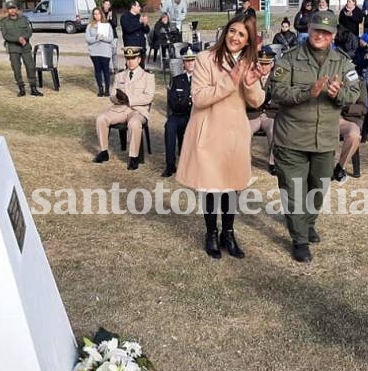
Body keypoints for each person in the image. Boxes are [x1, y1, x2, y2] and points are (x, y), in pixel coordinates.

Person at [270, 10, 361, 263]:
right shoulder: (289, 59)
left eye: (326, 32)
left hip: (324, 139)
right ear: (308, 29)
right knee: (294, 190)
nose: (320, 35)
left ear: (333, 35)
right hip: (292, 138)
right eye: (316, 30)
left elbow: (353, 93)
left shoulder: (342, 62)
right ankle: (299, 238)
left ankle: (307, 223)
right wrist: (307, 92)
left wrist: (337, 94)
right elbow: (276, 92)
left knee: (318, 189)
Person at [176, 14, 270, 259]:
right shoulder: (205, 58)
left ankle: (228, 232)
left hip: (234, 134)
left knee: (232, 186)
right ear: (225, 31)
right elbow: (199, 98)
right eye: (232, 31)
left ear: (248, 40)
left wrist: (249, 83)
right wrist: (231, 80)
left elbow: (258, 101)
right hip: (208, 132)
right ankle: (211, 233)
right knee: (210, 187)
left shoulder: (249, 63)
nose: (235, 38)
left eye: (242, 34)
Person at [93, 47, 155, 170]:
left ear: (139, 59)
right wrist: (118, 98)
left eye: (133, 58)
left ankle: (133, 157)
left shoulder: (148, 76)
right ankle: (104, 151)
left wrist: (129, 100)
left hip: (138, 110)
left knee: (134, 123)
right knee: (101, 118)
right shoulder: (120, 75)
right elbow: (112, 95)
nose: (130, 61)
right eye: (128, 58)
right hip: (120, 109)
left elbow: (148, 97)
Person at [162, 47, 196, 177]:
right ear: (183, 64)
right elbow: (172, 101)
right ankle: (170, 165)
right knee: (169, 126)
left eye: (193, 60)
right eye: (187, 61)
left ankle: (192, 165)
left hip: (195, 116)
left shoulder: (202, 79)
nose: (190, 63)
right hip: (180, 115)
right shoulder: (177, 80)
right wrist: (186, 103)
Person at [0, 1, 43, 97]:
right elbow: (5, 35)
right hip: (13, 49)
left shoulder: (24, 19)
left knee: (31, 67)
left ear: (17, 9)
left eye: (14, 8)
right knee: (16, 69)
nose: (12, 10)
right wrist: (18, 39)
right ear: (7, 10)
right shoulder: (4, 22)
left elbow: (29, 31)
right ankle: (21, 88)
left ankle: (33, 88)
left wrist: (24, 38)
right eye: (10, 8)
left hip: (25, 47)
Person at [248, 47, 278, 175]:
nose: (264, 67)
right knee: (245, 132)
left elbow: (280, 97)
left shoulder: (278, 77)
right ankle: (245, 161)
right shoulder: (251, 76)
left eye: (267, 64)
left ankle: (272, 162)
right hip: (254, 113)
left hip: (270, 114)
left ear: (272, 64)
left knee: (273, 130)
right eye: (261, 63)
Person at [334, 81, 367, 182]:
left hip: (349, 120)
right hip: (328, 119)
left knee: (354, 135)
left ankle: (341, 166)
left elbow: (363, 108)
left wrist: (345, 107)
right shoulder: (328, 78)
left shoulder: (359, 82)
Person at [85, 7, 113, 97]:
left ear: (101, 14)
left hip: (105, 51)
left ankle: (107, 90)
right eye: (95, 14)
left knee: (106, 71)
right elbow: (88, 39)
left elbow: (110, 38)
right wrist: (96, 38)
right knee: (97, 70)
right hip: (94, 52)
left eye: (98, 13)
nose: (97, 15)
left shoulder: (107, 25)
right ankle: (100, 88)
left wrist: (102, 38)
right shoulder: (90, 26)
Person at [120, 0, 151, 69]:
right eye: (138, 6)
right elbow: (128, 29)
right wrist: (139, 23)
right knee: (131, 67)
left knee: (141, 66)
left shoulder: (139, 16)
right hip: (131, 47)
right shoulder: (125, 17)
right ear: (133, 7)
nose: (140, 8)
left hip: (141, 46)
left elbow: (146, 30)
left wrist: (145, 24)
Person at [102, 0, 119, 72]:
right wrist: (107, 19)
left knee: (114, 53)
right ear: (103, 4)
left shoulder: (112, 13)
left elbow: (115, 24)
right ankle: (109, 69)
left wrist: (110, 18)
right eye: (106, 4)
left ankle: (115, 68)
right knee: (106, 53)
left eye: (108, 4)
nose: (107, 6)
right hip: (104, 36)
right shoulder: (101, 13)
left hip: (113, 36)